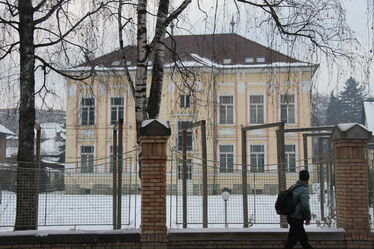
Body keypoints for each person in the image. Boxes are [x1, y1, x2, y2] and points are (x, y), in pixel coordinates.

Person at [284, 170, 314, 249]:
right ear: (308, 179)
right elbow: (305, 206)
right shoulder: (303, 190)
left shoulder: (293, 186)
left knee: (303, 240)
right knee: (291, 241)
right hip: (296, 218)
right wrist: (308, 218)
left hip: (290, 216)